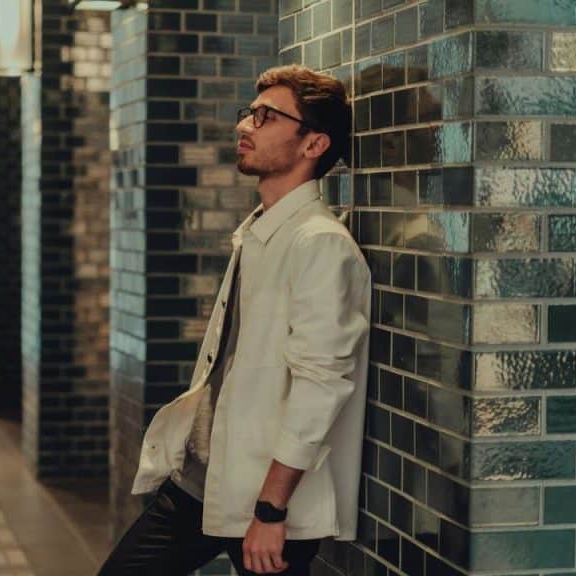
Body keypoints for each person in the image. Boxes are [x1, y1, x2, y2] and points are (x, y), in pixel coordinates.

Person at [98, 64, 371, 575]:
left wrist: (271, 510)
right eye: (250, 113)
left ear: (313, 144)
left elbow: (321, 385)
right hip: (203, 482)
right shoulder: (261, 231)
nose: (245, 126)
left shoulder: (320, 245)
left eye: (266, 117)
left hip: (266, 504)